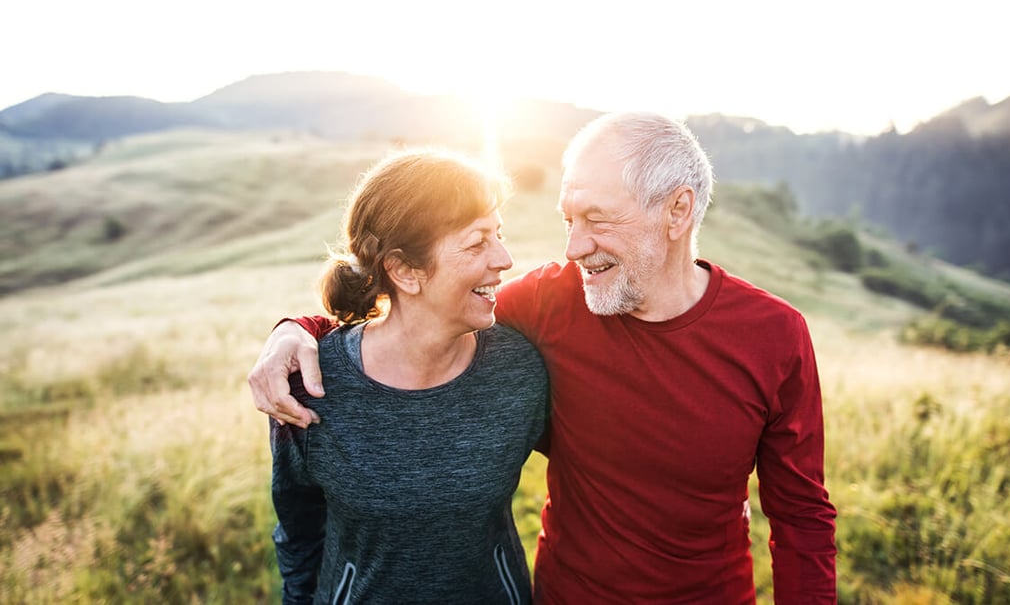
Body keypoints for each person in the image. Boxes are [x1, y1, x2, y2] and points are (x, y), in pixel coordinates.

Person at [250, 112, 837, 603]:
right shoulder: (553, 302)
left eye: (597, 220)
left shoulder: (775, 336)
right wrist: (296, 330)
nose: (574, 246)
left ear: (678, 212)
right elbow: (421, 312)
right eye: (568, 220)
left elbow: (802, 516)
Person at [266, 149, 549, 604]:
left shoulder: (518, 370)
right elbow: (298, 530)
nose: (505, 259)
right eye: (477, 242)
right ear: (403, 271)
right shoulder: (312, 387)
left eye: (499, 235)